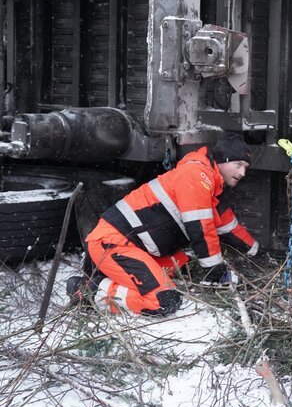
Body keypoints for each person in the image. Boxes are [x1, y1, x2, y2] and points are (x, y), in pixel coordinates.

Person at [67, 132, 259, 315]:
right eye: (238, 164)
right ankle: (88, 292)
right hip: (114, 244)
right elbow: (200, 227)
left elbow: (229, 226)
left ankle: (106, 280)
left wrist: (255, 252)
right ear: (223, 159)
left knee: (185, 266)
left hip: (136, 247)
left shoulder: (210, 189)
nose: (242, 172)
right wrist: (214, 271)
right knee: (164, 301)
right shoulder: (196, 175)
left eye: (246, 168)